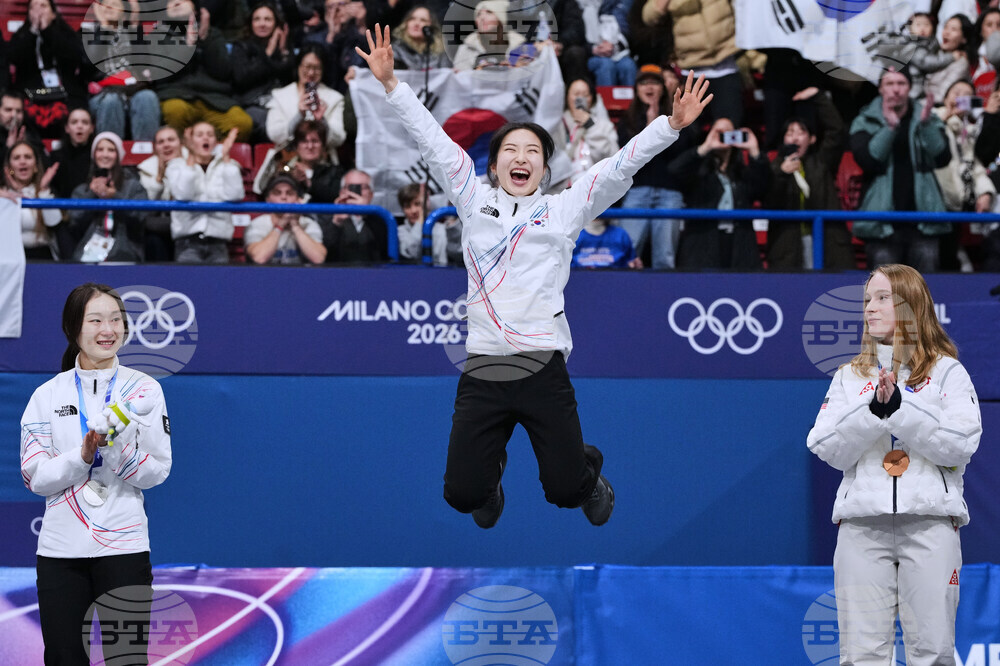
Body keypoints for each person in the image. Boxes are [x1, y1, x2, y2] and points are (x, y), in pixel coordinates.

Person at [356, 24, 711, 527]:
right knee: (463, 495)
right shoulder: (473, 199)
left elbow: (616, 168)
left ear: (544, 170)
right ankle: (490, 476)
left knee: (566, 491)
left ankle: (589, 471)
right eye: (510, 151)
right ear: (494, 164)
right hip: (483, 368)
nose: (521, 158)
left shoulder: (563, 210)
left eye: (533, 153)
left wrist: (670, 126)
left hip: (542, 364)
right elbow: (432, 139)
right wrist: (392, 85)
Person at [807, 264, 981, 666]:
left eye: (883, 298)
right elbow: (825, 447)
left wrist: (900, 410)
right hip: (862, 529)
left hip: (931, 525)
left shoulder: (947, 372)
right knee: (861, 656)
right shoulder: (849, 376)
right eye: (868, 299)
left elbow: (960, 445)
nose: (870, 308)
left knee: (934, 653)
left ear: (910, 304)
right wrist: (873, 411)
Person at [19, 282, 172, 665]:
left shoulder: (144, 390)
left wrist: (115, 450)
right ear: (74, 328)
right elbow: (35, 477)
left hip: (124, 547)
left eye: (116, 320)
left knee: (127, 658)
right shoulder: (46, 396)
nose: (108, 329)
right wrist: (83, 455)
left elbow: (157, 471)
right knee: (64, 656)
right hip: (60, 552)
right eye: (96, 320)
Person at [849, 68, 951, 272]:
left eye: (901, 83)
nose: (896, 90)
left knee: (924, 292)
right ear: (880, 88)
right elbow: (868, 160)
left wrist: (927, 125)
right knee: (885, 293)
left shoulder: (926, 116)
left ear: (910, 88)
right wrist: (890, 129)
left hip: (923, 222)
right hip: (882, 225)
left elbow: (942, 157)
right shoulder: (864, 120)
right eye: (889, 84)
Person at [765, 87, 856, 270]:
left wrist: (818, 98)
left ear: (812, 138)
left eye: (801, 132)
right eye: (790, 133)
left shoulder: (822, 163)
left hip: (825, 242)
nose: (795, 137)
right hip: (788, 247)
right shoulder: (774, 167)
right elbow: (768, 201)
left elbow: (836, 130)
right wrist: (782, 174)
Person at [616, 64, 694, 269]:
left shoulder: (677, 118)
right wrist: (650, 124)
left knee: (665, 257)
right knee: (627, 255)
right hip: (636, 189)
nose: (649, 87)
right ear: (636, 88)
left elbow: (682, 152)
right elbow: (626, 156)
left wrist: (664, 124)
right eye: (644, 82)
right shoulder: (628, 120)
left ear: (663, 87)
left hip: (669, 191)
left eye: (654, 82)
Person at [669, 117, 768, 270]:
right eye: (719, 132)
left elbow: (762, 188)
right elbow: (674, 171)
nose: (724, 136)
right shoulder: (699, 169)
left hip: (739, 243)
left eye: (729, 132)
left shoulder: (742, 172)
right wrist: (705, 147)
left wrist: (754, 151)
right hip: (703, 241)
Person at [156, 0, 254, 141]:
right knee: (175, 111)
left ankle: (214, 157)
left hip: (214, 100)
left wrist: (205, 39)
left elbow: (223, 71)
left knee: (242, 123)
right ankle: (183, 155)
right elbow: (160, 75)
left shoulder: (213, 35)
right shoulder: (158, 35)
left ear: (196, 10)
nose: (176, 2)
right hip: (177, 96)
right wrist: (187, 47)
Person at [640, 0, 742, 126]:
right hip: (690, 71)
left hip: (726, 65)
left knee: (728, 130)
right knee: (688, 132)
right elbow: (650, 16)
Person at [82, 0, 163, 141]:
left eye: (116, 4)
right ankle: (109, 153)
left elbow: (144, 65)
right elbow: (88, 66)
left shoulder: (132, 32)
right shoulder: (87, 32)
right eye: (106, 4)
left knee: (147, 98)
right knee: (111, 101)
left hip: (131, 89)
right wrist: (105, 27)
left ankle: (144, 156)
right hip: (103, 93)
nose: (110, 7)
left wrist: (135, 27)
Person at [166, 122, 245, 263]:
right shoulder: (176, 165)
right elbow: (183, 195)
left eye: (210, 135)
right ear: (190, 140)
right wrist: (190, 158)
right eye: (199, 135)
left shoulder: (228, 165)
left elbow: (235, 195)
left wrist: (226, 157)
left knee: (218, 285)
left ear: (216, 141)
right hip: (187, 243)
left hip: (218, 243)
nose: (205, 138)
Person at [7, 0, 88, 137]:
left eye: (43, 6)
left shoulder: (65, 33)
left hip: (65, 93)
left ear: (54, 14)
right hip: (30, 94)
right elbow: (14, 57)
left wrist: (47, 31)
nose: (38, 10)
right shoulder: (23, 34)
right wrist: (33, 31)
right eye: (34, 7)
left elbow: (76, 56)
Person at [67, 131, 148, 262]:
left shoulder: (133, 186)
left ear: (118, 155)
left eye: (111, 150)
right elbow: (75, 224)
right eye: (100, 150)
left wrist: (114, 196)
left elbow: (140, 218)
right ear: (94, 155)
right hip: (88, 253)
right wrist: (92, 196)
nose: (105, 154)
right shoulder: (82, 190)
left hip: (125, 253)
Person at [230, 1, 296, 144]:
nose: (262, 24)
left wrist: (284, 51)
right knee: (268, 121)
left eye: (268, 19)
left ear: (276, 24)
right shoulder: (241, 46)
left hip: (281, 103)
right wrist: (268, 52)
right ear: (251, 23)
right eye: (257, 19)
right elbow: (243, 79)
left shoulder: (284, 47)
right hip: (252, 103)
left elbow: (290, 81)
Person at [266, 44, 347, 157]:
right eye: (307, 66)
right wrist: (299, 116)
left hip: (322, 162)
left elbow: (339, 138)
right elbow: (274, 134)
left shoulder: (335, 98)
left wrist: (321, 120)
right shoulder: (280, 95)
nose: (311, 73)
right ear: (298, 66)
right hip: (287, 159)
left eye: (316, 68)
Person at [253, 118, 344, 201]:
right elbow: (262, 193)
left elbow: (336, 197)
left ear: (323, 146)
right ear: (296, 146)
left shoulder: (335, 172)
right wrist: (291, 180)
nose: (310, 146)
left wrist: (309, 182)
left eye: (315, 141)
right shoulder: (285, 171)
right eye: (304, 141)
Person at [245, 174, 327, 264]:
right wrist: (280, 225)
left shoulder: (308, 224)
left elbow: (318, 258)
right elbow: (259, 258)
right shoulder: (257, 224)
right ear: (268, 199)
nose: (284, 197)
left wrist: (296, 226)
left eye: (290, 193)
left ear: (298, 199)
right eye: (277, 193)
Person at [3, 140, 60, 259]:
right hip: (8, 259)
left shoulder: (46, 191)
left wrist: (43, 191)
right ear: (9, 167)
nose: (22, 161)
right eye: (17, 158)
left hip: (42, 257)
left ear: (35, 165)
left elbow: (53, 223)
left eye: (28, 157)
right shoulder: (3, 194)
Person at [137, 125, 185, 261]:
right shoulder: (144, 170)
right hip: (157, 228)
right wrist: (158, 180)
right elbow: (145, 211)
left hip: (187, 227)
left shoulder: (194, 166)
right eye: (161, 142)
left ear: (181, 143)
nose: (166, 145)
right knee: (153, 240)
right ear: (155, 148)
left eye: (171, 140)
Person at [560, 77, 619, 187]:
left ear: (591, 99)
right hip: (562, 190)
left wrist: (590, 126)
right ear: (567, 97)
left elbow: (610, 158)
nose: (580, 99)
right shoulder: (558, 125)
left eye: (585, 95)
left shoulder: (604, 126)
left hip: (596, 187)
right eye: (576, 94)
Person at [322, 168, 389, 262]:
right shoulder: (327, 218)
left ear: (371, 194)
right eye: (350, 187)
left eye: (363, 187)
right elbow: (324, 254)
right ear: (341, 192)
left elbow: (385, 252)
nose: (356, 192)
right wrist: (337, 222)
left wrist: (366, 212)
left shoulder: (382, 219)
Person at [452, 1, 527, 71]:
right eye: (478, 14)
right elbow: (459, 80)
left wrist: (514, 69)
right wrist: (477, 72)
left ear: (501, 19)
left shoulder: (519, 46)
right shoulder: (466, 49)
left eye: (489, 12)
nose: (482, 17)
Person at [925, 14, 977, 102]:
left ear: (964, 38)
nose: (946, 32)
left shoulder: (961, 64)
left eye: (953, 29)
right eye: (945, 27)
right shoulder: (933, 53)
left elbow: (943, 95)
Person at [396, 181, 451, 264]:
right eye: (407, 206)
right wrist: (420, 219)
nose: (413, 210)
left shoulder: (441, 228)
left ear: (427, 204)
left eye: (417, 204)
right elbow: (412, 253)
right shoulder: (400, 231)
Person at [48, 107, 94, 200]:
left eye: (85, 122)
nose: (79, 126)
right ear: (67, 128)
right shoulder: (55, 158)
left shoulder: (97, 158)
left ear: (92, 128)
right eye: (74, 122)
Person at [391, 5, 452, 71]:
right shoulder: (395, 50)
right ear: (406, 23)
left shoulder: (440, 52)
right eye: (412, 19)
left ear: (431, 26)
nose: (416, 23)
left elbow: (446, 74)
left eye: (423, 20)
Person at [572, 217, 641, 268]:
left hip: (614, 281)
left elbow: (633, 264)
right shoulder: (573, 235)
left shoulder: (620, 234)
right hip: (581, 281)